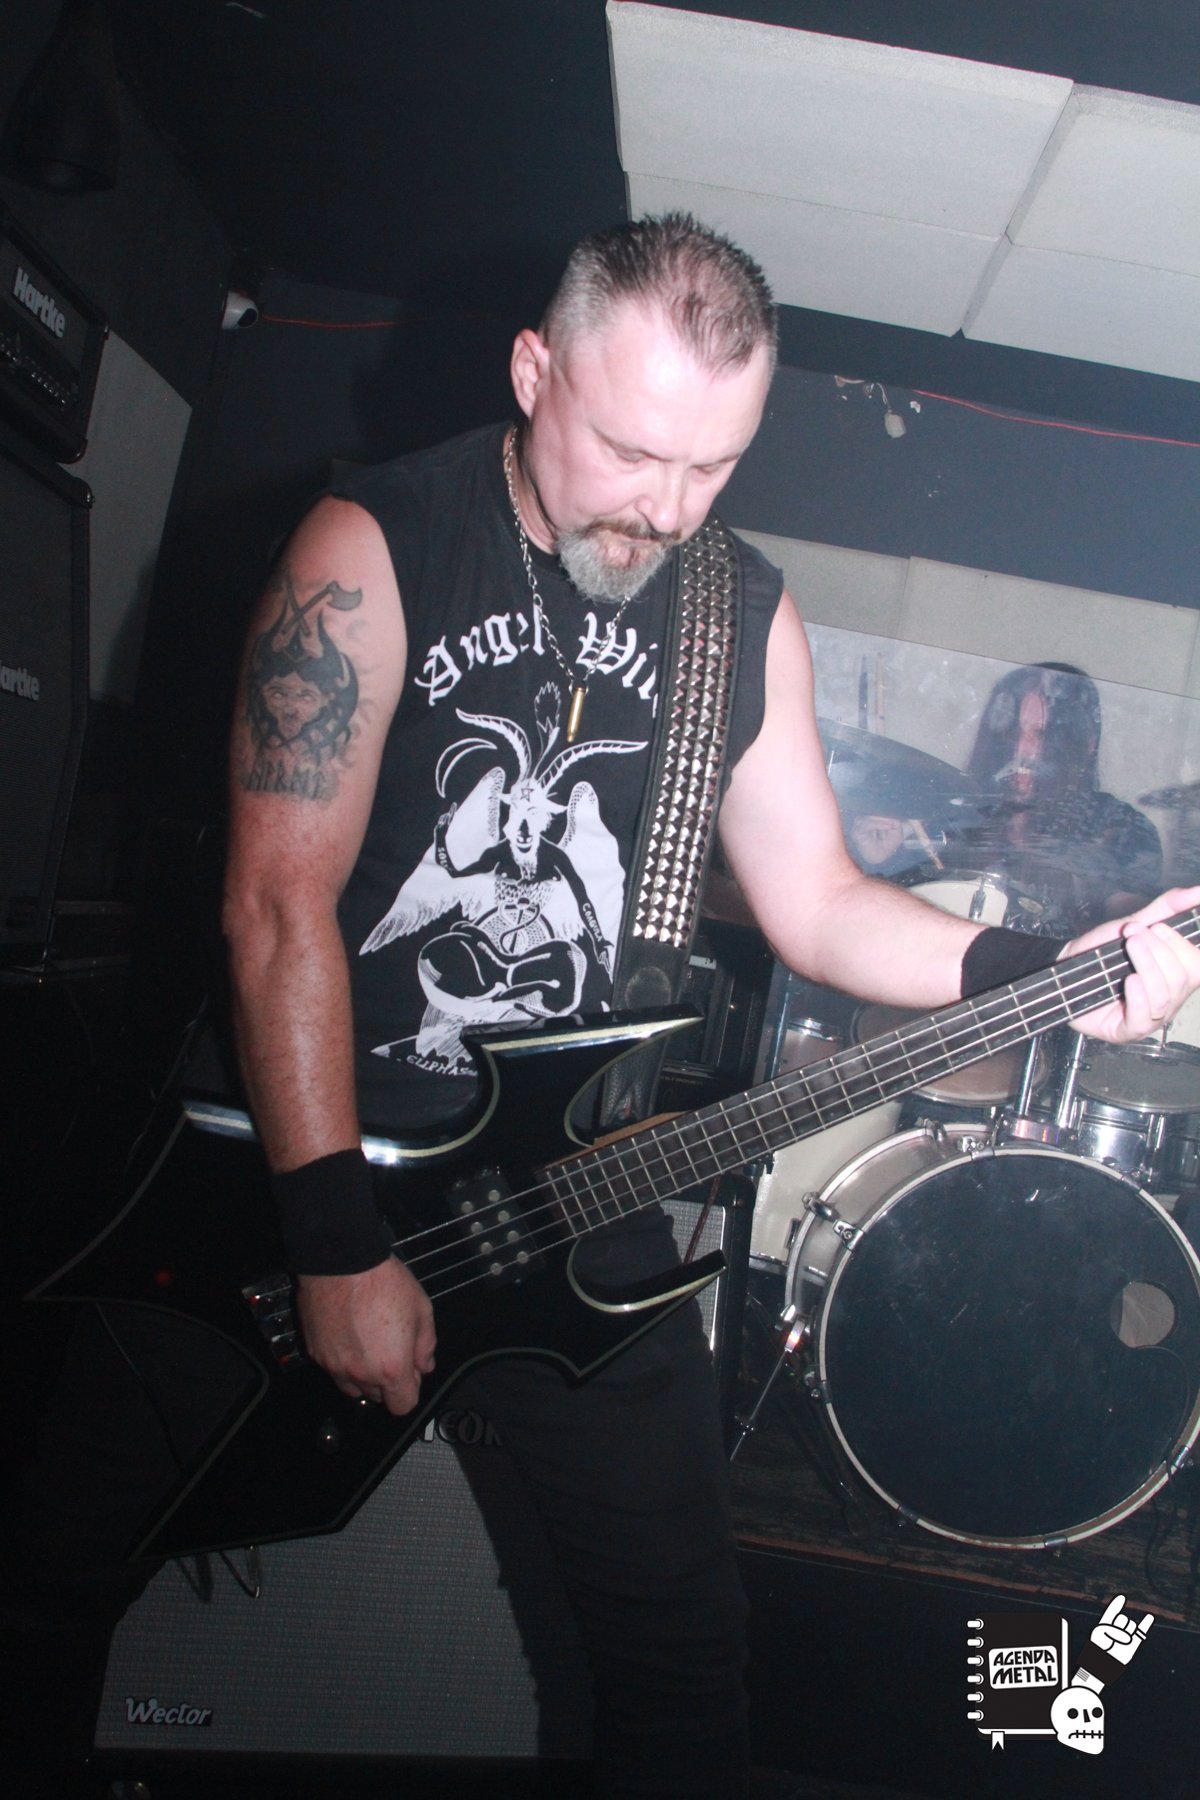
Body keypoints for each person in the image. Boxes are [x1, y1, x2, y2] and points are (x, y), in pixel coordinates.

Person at [221, 214, 1200, 1798]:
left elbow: (818, 904)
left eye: (713, 466)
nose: (664, 509)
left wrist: (1055, 975)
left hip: (570, 1206)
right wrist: (333, 1240)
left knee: (684, 1683)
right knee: (56, 1569)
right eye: (629, 451)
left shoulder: (736, 610)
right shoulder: (373, 549)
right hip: (306, 1172)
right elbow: (277, 903)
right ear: (533, 372)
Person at [953, 660, 1163, 936]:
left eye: (1041, 734)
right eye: (1013, 732)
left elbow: (1128, 929)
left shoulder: (1120, 827)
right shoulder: (961, 814)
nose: (1021, 750)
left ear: (1086, 744)